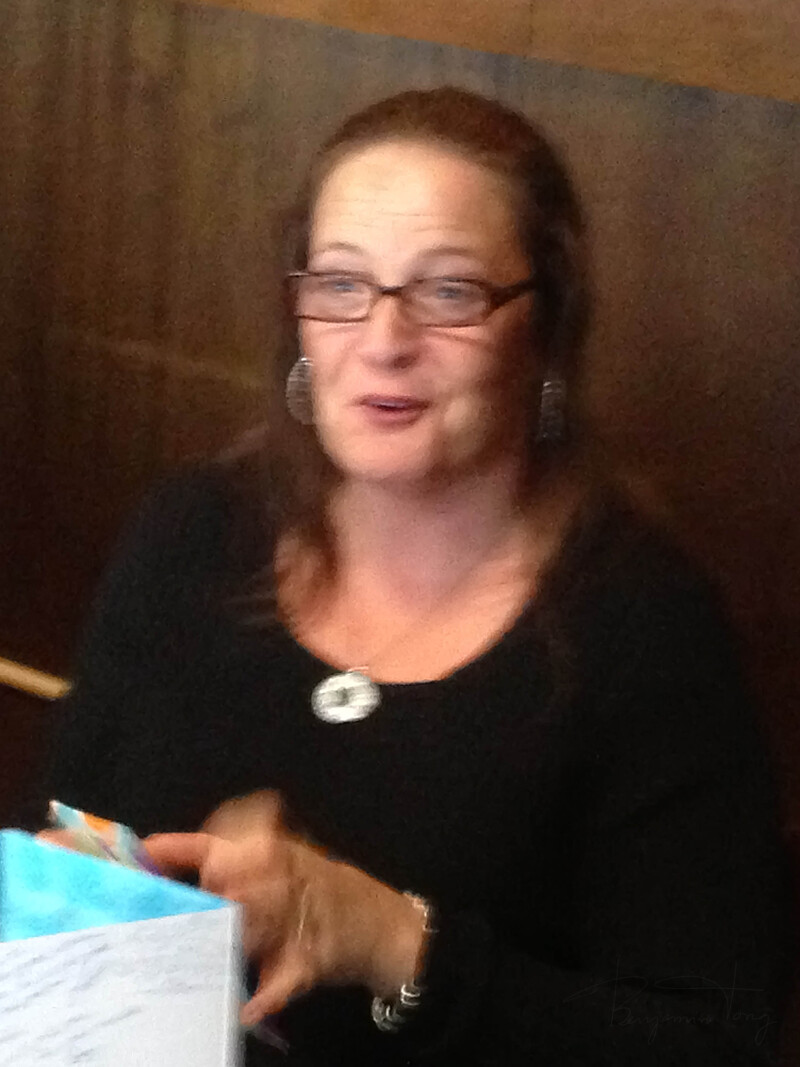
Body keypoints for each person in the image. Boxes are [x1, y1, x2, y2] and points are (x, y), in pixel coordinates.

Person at [41, 87, 794, 1065]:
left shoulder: (647, 628)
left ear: (545, 328)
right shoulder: (192, 528)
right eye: (341, 283)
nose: (384, 340)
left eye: (448, 292)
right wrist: (81, 895)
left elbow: (714, 1043)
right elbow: (66, 833)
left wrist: (397, 942)